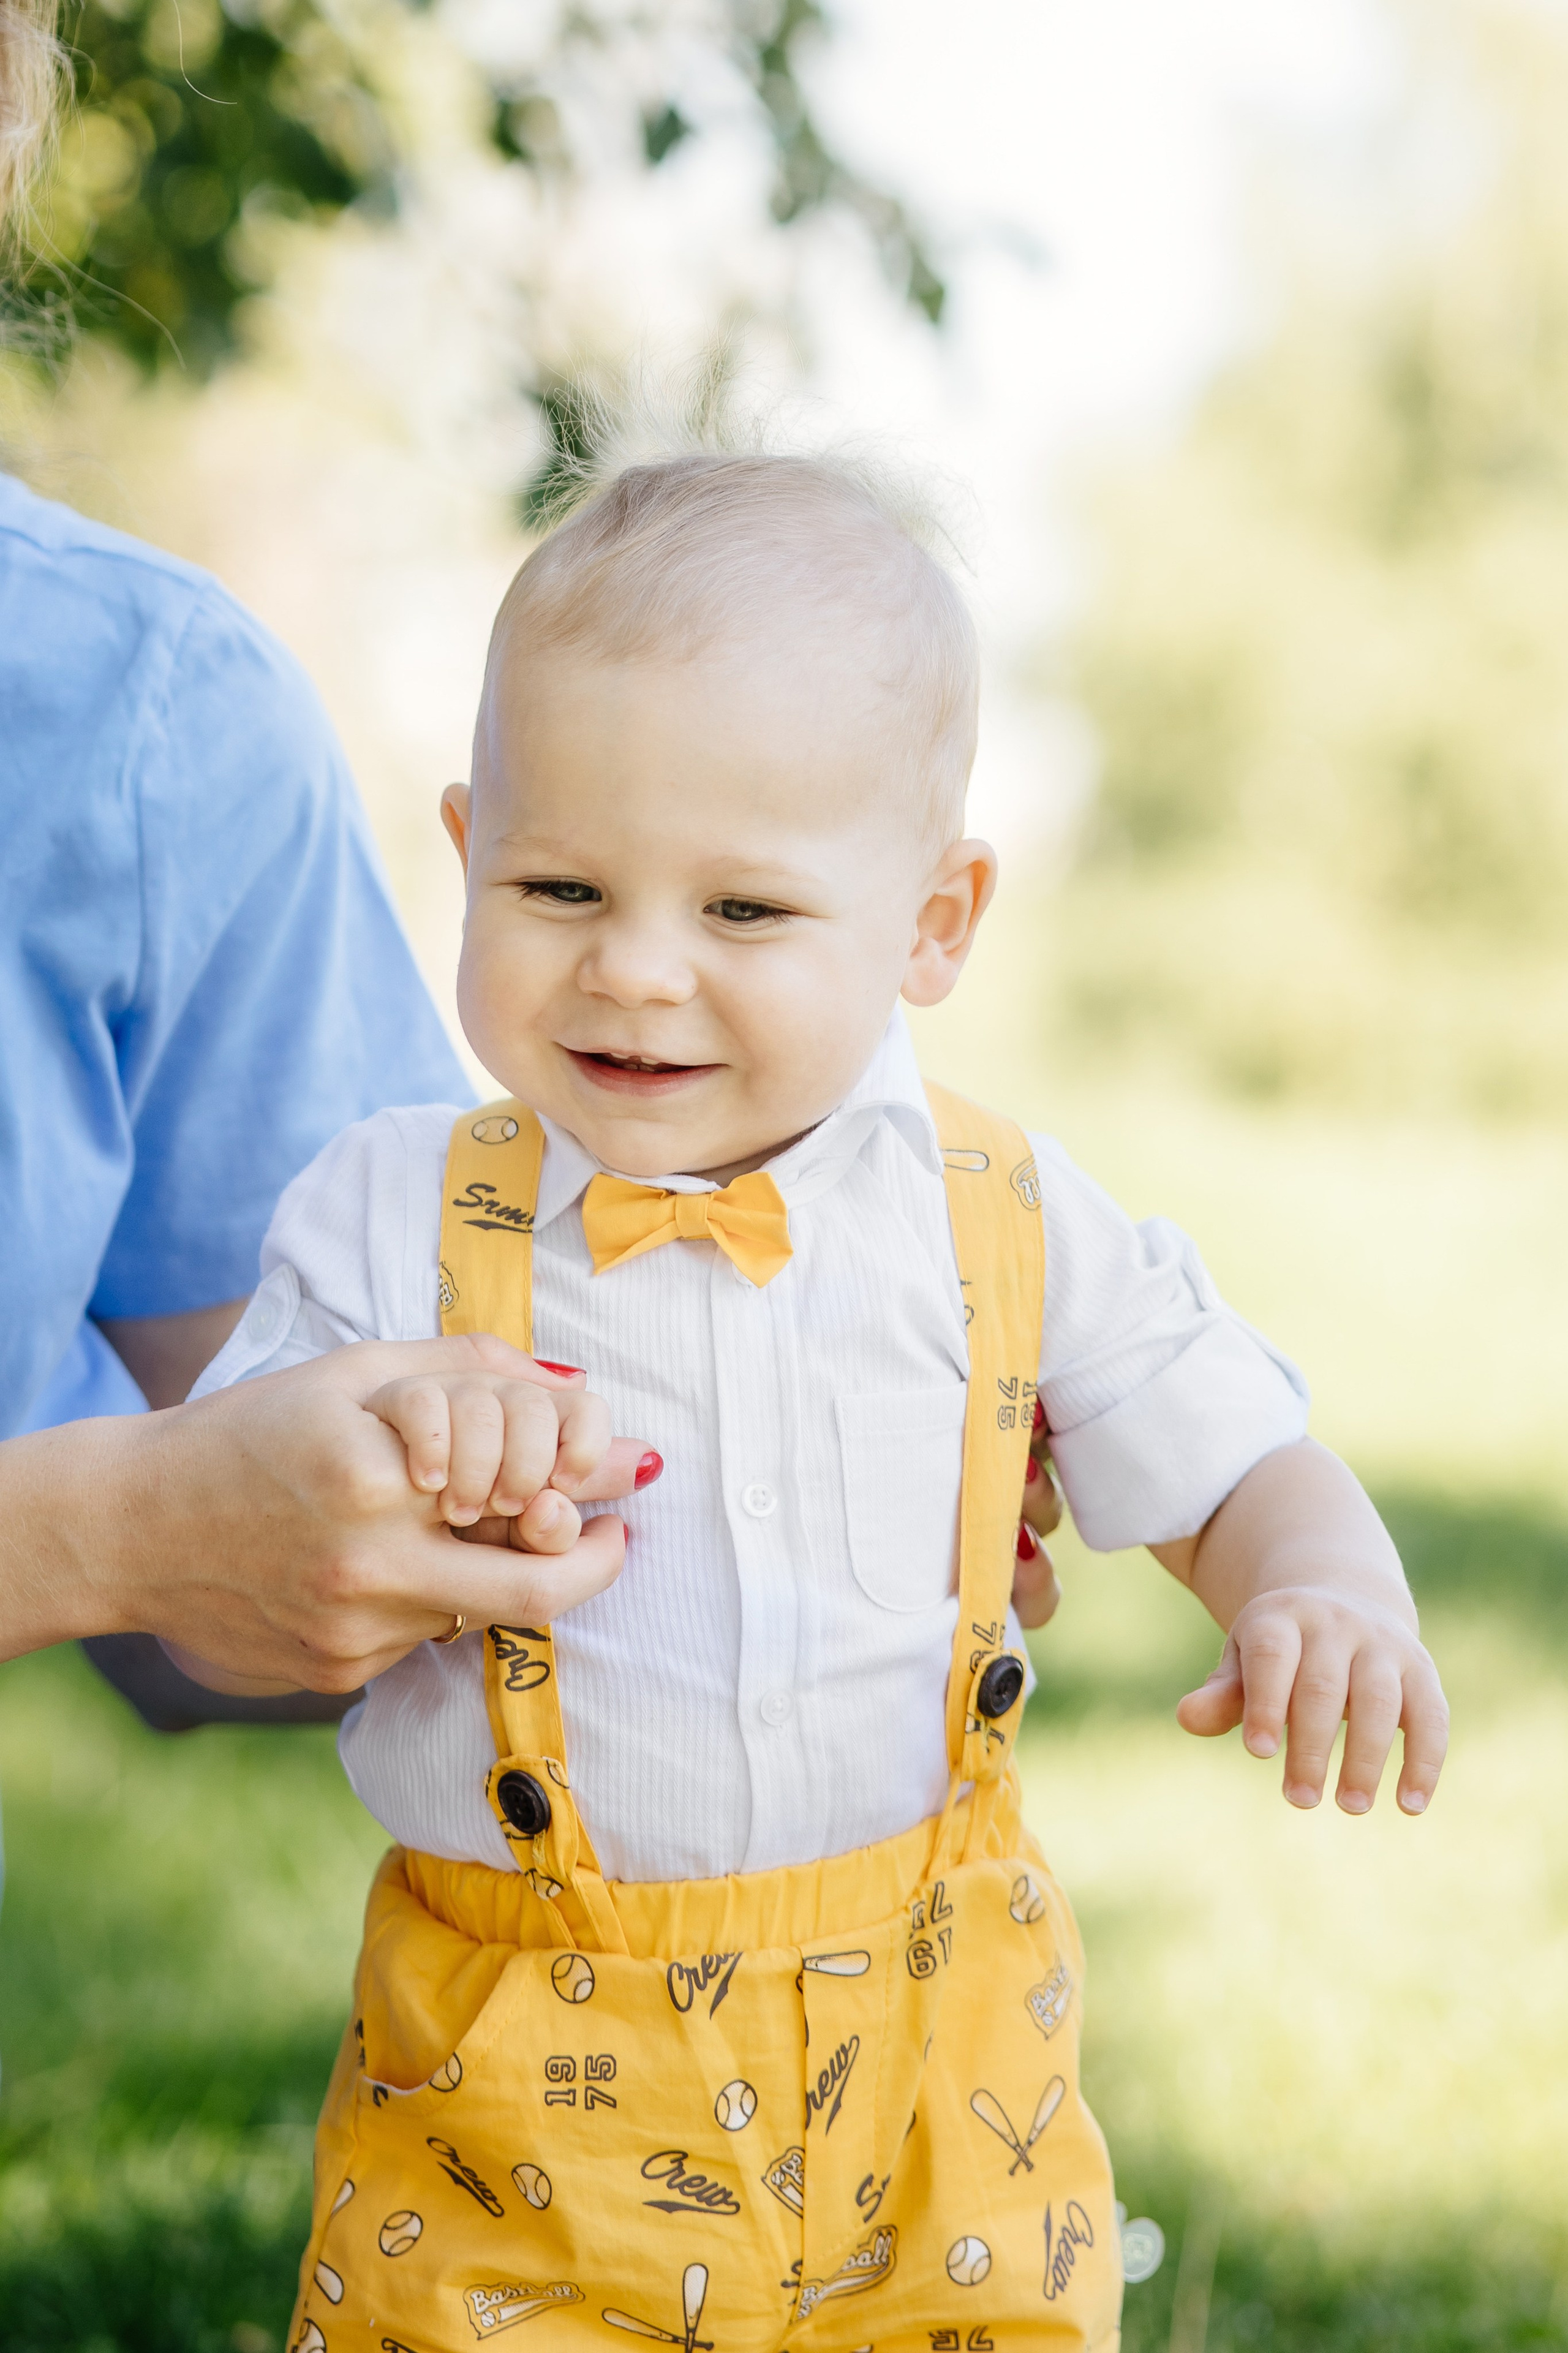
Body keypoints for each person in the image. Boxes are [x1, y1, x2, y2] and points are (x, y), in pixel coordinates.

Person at [185, 451, 1449, 2349]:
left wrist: (1319, 1580)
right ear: (465, 850)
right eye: (558, 885)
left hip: (941, 2055)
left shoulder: (997, 1211)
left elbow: (1232, 1452)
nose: (634, 967)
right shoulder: (386, 1217)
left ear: (935, 920)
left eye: (746, 909)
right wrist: (396, 1442)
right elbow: (226, 1537)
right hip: (519, 2087)